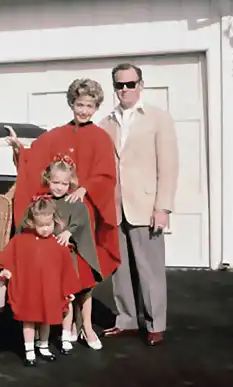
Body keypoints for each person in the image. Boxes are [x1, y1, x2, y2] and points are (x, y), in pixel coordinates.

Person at [6, 78, 121, 347]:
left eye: (89, 106)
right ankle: (62, 325)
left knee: (85, 275)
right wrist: (18, 148)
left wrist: (86, 188)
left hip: (83, 214)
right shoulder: (56, 135)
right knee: (61, 271)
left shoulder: (101, 138)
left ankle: (87, 327)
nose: (83, 110)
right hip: (58, 215)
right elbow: (34, 159)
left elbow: (106, 174)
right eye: (79, 104)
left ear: (96, 107)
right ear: (72, 103)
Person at [98, 63, 179, 346]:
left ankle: (156, 324)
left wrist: (163, 207)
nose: (124, 90)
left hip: (146, 206)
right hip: (115, 206)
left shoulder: (158, 118)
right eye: (119, 85)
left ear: (140, 85)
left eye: (130, 84)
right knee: (120, 269)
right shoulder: (105, 122)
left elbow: (168, 166)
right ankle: (127, 320)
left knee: (150, 269)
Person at [18, 154, 104, 351]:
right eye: (55, 182)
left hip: (72, 253)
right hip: (52, 257)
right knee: (65, 294)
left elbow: (82, 218)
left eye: (64, 183)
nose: (59, 187)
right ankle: (67, 328)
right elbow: (28, 222)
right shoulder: (42, 201)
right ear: (48, 179)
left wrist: (69, 231)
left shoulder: (74, 201)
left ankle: (87, 327)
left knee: (84, 290)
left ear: (70, 183)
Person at [0, 196, 79, 366]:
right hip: (30, 289)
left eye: (49, 225)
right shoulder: (21, 241)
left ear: (54, 221)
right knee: (29, 319)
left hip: (49, 289)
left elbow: (66, 269)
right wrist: (5, 269)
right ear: (32, 222)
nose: (45, 229)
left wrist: (68, 290)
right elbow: (9, 257)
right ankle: (29, 350)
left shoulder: (58, 245)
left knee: (46, 319)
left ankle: (43, 345)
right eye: (41, 226)